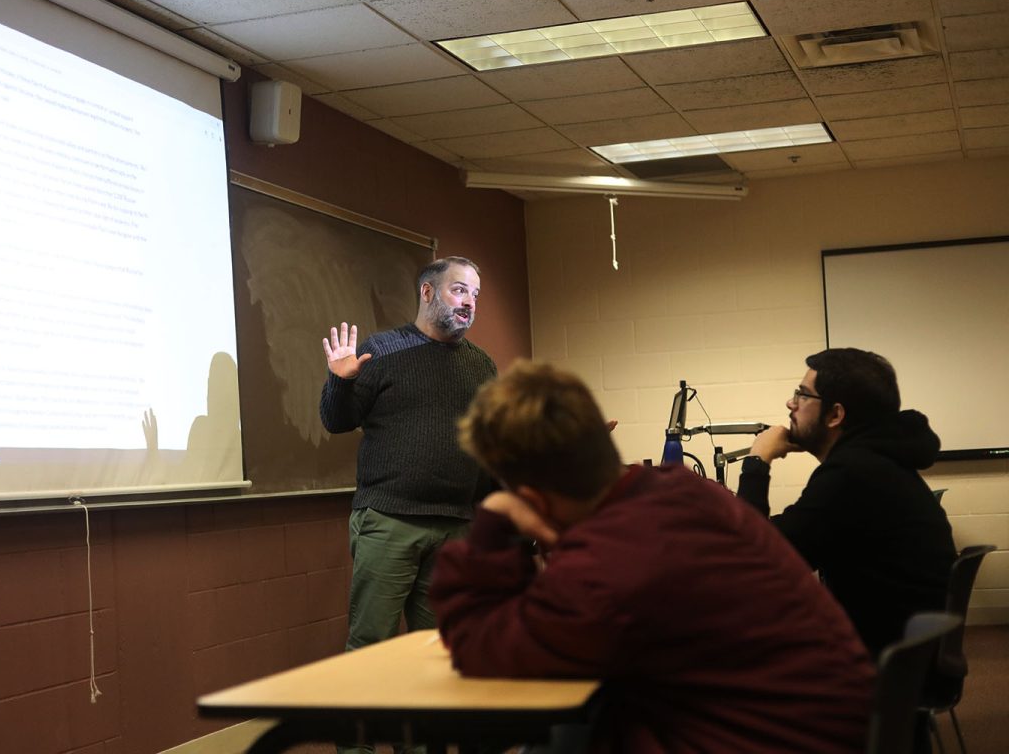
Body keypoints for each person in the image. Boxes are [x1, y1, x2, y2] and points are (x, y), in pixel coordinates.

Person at [430, 361, 875, 754]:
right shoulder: (680, 491)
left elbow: (482, 650)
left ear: (529, 497)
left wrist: (491, 523)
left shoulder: (607, 567)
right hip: (824, 728)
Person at [319, 256, 497, 658]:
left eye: (475, 294)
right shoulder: (381, 350)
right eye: (459, 289)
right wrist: (340, 382)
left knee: (441, 647)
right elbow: (336, 420)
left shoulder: (481, 365)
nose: (469, 301)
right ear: (428, 292)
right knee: (372, 645)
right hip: (389, 520)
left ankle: (431, 723)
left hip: (455, 524)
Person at [738, 347, 955, 659]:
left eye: (802, 395)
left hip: (878, 664)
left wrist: (758, 461)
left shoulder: (852, 474)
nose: (790, 403)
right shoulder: (874, 463)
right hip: (902, 657)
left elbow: (755, 561)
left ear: (835, 414)